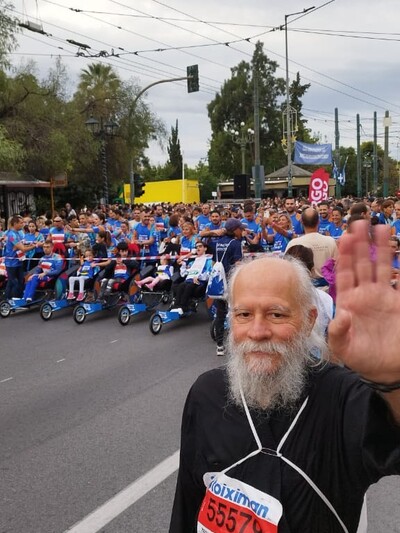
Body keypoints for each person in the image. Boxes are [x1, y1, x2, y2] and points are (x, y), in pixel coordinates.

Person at [169, 221, 400, 533]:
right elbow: (188, 502)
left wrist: (392, 379)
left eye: (277, 314)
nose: (258, 331)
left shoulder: (342, 397)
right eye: (244, 314)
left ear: (309, 320)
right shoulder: (207, 393)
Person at [213, 218, 244, 356]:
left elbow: (215, 260)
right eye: (240, 228)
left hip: (219, 282)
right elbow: (238, 264)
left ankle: (220, 345)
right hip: (231, 281)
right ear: (234, 230)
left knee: (220, 313)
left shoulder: (218, 242)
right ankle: (236, 344)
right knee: (235, 313)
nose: (242, 231)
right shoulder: (236, 243)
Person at [170, 241, 213, 315]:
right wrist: (183, 265)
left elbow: (209, 274)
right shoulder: (193, 261)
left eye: (200, 246)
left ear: (205, 248)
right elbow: (184, 274)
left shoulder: (208, 261)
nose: (198, 248)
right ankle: (176, 306)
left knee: (188, 286)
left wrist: (199, 277)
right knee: (181, 286)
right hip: (189, 280)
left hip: (199, 281)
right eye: (196, 247)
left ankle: (183, 307)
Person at [4, 215, 37, 299]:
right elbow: (23, 249)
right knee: (13, 283)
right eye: (21, 223)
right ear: (15, 223)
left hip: (19, 261)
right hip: (11, 263)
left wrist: (30, 244)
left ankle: (16, 299)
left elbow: (22, 245)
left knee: (20, 282)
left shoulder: (18, 233)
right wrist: (35, 246)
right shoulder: (11, 235)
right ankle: (10, 300)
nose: (23, 224)